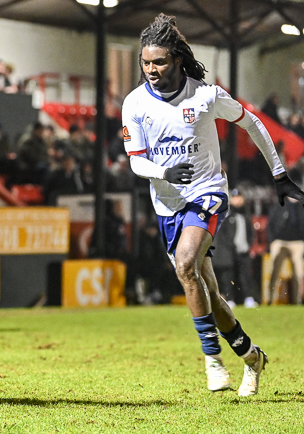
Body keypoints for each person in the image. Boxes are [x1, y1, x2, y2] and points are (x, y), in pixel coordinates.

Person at [122, 13, 304, 396]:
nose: (151, 70)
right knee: (206, 291)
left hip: (207, 193)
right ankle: (252, 357)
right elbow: (135, 160)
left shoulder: (206, 96)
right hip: (167, 204)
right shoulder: (135, 103)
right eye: (145, 62)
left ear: (176, 58)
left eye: (159, 62)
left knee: (186, 264)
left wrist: (278, 173)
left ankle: (212, 360)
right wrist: (164, 172)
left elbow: (253, 123)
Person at [211, 188, 259, 309]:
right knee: (229, 277)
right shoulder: (226, 214)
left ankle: (248, 298)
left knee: (246, 276)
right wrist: (229, 247)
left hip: (243, 251)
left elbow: (250, 233)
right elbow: (223, 234)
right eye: (235, 197)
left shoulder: (245, 214)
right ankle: (230, 299)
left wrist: (248, 245)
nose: (237, 200)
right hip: (229, 252)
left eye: (239, 197)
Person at [266, 187, 304, 305]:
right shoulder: (280, 204)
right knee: (275, 270)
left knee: (298, 273)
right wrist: (272, 241)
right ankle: (270, 299)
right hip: (280, 241)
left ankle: (297, 300)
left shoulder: (301, 206)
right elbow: (270, 223)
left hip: (297, 242)